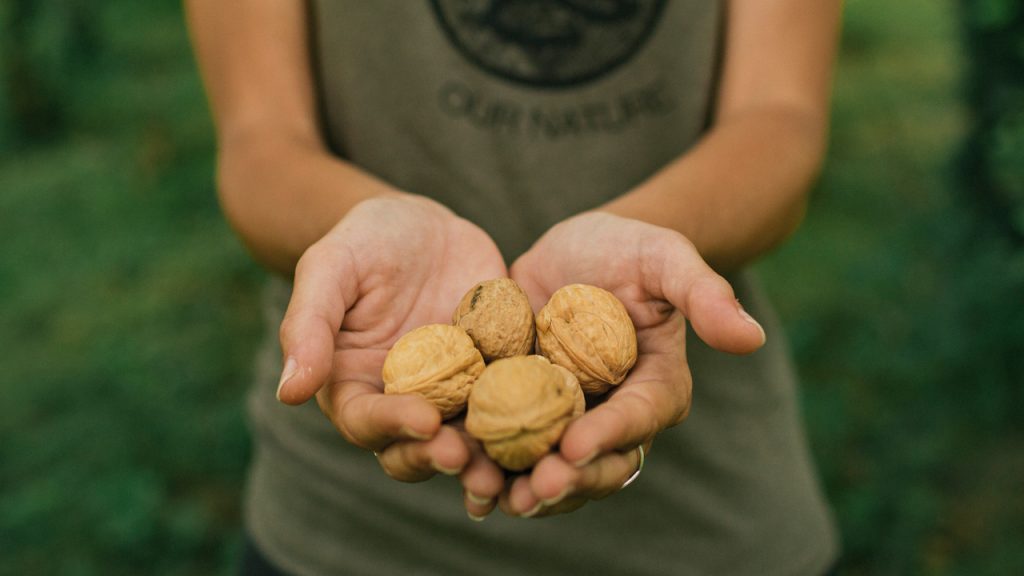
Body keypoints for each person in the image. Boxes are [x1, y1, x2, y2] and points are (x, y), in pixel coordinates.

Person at [186, 1, 843, 574]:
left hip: (704, 518)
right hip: (344, 524)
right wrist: (357, 233)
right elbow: (258, 141)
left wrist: (653, 242)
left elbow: (779, 117)